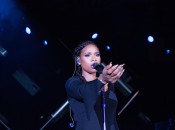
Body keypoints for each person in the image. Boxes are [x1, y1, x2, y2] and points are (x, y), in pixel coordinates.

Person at [65, 40, 125, 130]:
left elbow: (111, 119)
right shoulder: (72, 82)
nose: (94, 58)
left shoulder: (108, 84)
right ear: (78, 60)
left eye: (97, 55)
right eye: (87, 55)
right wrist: (102, 80)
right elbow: (84, 92)